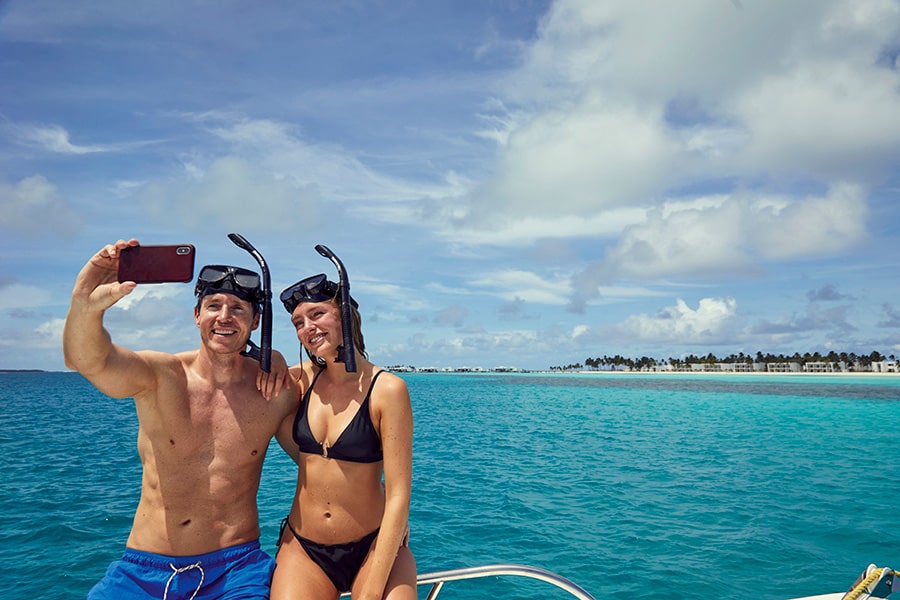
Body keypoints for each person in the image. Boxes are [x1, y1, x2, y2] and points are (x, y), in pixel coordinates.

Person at [63, 238, 298, 600]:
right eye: (213, 306)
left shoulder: (275, 392)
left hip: (236, 570)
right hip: (144, 571)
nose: (224, 316)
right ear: (196, 315)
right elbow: (88, 360)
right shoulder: (160, 376)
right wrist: (84, 303)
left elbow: (320, 459)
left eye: (238, 308)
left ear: (255, 321)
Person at [270, 269, 416, 600]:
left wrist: (372, 592)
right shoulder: (301, 381)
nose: (307, 327)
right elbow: (251, 372)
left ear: (345, 316)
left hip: (373, 544)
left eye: (317, 314)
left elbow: (398, 495)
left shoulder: (387, 390)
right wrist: (276, 357)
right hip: (304, 548)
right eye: (298, 323)